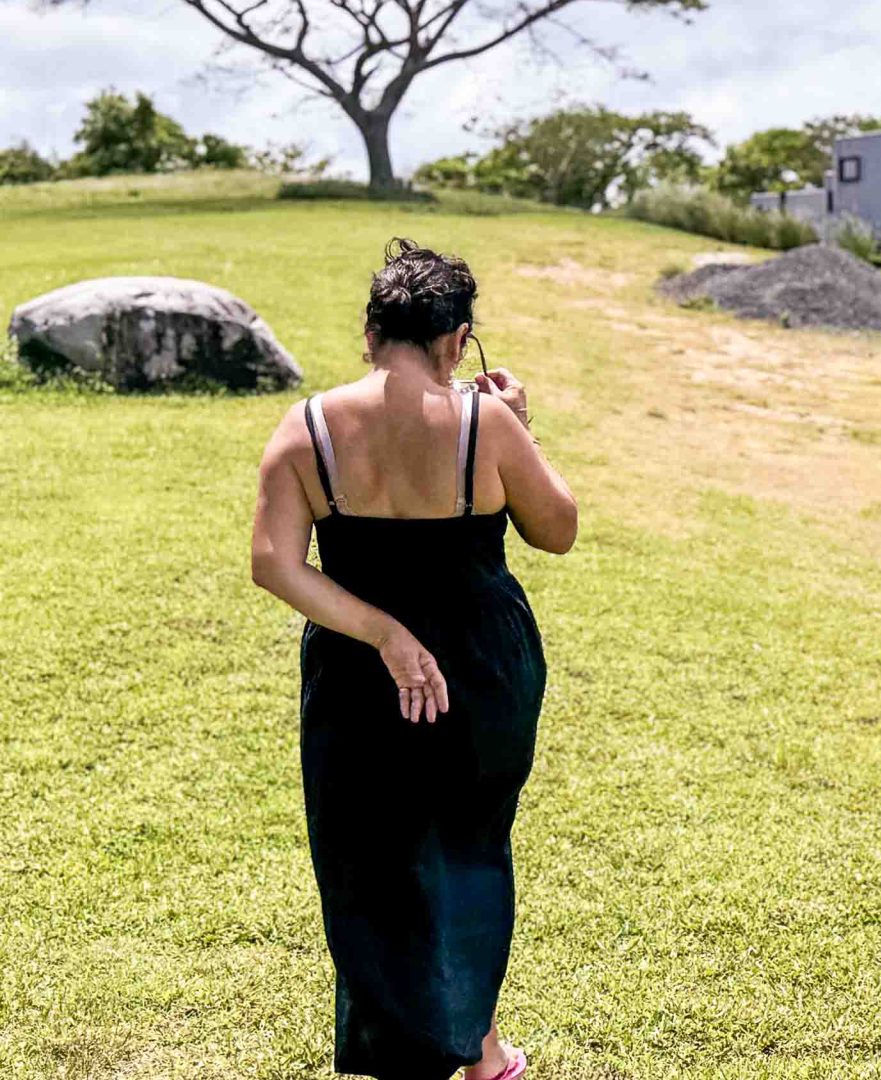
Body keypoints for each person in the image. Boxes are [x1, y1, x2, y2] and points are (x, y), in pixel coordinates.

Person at [250, 239, 577, 1080]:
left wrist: (383, 634)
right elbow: (557, 531)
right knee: (468, 848)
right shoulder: (485, 423)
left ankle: (460, 1051)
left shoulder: (307, 427)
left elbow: (274, 564)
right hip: (483, 668)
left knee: (372, 860)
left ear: (369, 332)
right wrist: (520, 426)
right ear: (455, 343)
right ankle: (477, 1054)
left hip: (355, 677)